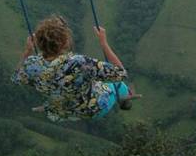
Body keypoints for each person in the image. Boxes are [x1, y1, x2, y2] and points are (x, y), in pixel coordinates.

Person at [11, 15, 140, 122]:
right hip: (93, 109)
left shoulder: (32, 64)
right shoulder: (78, 63)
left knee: (65, 86)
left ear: (38, 43)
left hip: (65, 110)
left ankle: (51, 105)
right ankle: (126, 98)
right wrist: (104, 43)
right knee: (117, 83)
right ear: (65, 42)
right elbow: (121, 72)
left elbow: (16, 77)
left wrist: (27, 51)